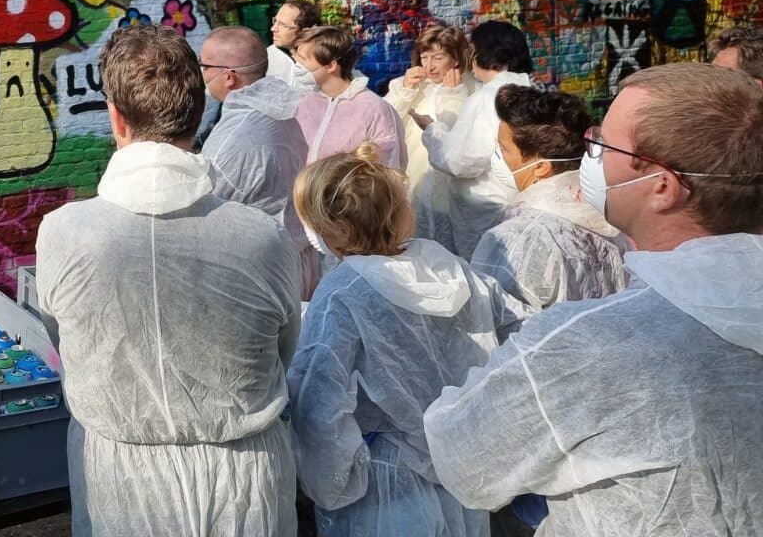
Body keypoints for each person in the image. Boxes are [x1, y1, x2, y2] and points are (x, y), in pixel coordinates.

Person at [425, 63, 763, 535]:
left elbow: (464, 458)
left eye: (604, 145)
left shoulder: (588, 345)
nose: (589, 156)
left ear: (663, 187)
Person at [38, 24, 302, 537]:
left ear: (116, 119)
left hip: (122, 484)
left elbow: (67, 339)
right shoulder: (261, 236)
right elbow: (282, 348)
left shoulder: (64, 232)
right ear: (198, 112)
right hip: (243, 482)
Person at [288, 143, 525, 537]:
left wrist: (334, 484)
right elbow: (521, 327)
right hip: (458, 469)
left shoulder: (342, 293)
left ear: (339, 229)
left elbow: (318, 402)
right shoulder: (445, 266)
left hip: (383, 488)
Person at [470, 85, 628, 311]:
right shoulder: (614, 219)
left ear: (541, 166)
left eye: (504, 150)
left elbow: (488, 315)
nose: (497, 157)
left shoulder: (514, 240)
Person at [200, 25, 318, 298]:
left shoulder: (234, 138)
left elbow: (206, 205)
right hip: (297, 257)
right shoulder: (282, 108)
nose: (201, 74)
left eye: (204, 66)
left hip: (262, 272)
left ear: (228, 77)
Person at [415, 20, 535, 257]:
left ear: (482, 54)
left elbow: (461, 161)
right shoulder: (530, 88)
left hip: (487, 207)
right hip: (520, 200)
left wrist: (432, 130)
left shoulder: (485, 98)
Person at [384, 25, 473, 242]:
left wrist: (454, 94)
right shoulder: (405, 85)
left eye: (438, 57)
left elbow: (459, 137)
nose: (430, 66)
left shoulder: (472, 89)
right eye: (424, 57)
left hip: (452, 190)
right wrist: (405, 91)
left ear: (456, 58)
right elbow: (383, 123)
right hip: (413, 182)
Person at [294, 25, 406, 169]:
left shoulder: (374, 109)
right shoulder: (304, 101)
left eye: (303, 59)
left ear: (331, 66)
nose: (298, 65)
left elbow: (388, 168)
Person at [267, 0, 321, 93]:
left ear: (305, 32)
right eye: (275, 21)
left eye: (283, 25)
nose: (273, 28)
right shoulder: (267, 55)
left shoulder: (324, 59)